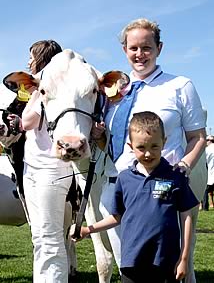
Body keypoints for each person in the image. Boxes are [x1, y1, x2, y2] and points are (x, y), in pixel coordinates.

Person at [93, 18, 206, 283]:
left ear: (159, 48)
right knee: (128, 267)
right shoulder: (114, 95)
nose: (140, 54)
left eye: (146, 47)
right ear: (125, 51)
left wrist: (185, 166)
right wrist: (100, 137)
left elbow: (197, 136)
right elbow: (115, 147)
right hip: (122, 187)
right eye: (133, 48)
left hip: (164, 191)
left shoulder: (180, 86)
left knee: (175, 268)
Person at [73, 111, 199, 283]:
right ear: (130, 146)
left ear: (164, 142)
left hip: (166, 262)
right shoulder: (124, 179)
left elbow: (186, 218)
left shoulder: (176, 177)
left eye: (154, 146)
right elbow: (117, 217)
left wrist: (184, 259)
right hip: (132, 262)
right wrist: (89, 229)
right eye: (141, 148)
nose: (148, 153)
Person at [12, 40, 72, 283]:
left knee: (50, 238)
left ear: (42, 58)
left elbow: (28, 121)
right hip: (35, 167)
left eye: (31, 57)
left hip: (50, 169)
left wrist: (17, 119)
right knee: (40, 237)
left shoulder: (49, 84)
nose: (28, 62)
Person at [201, 135, 214, 210]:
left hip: (210, 172)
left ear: (208, 141)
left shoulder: (207, 150)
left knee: (205, 190)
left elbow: (203, 161)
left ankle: (205, 207)